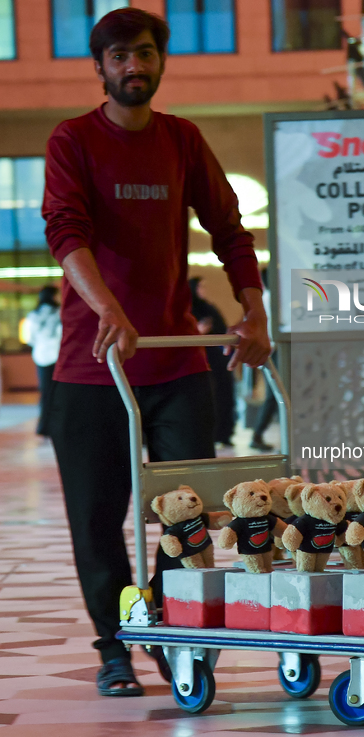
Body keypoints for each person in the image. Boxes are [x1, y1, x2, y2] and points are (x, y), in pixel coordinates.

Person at [42, 8, 270, 698]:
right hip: (92, 368)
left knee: (188, 516)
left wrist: (252, 310)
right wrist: (105, 305)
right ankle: (117, 644)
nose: (133, 67)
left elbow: (229, 229)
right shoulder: (72, 139)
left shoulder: (182, 140)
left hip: (174, 367)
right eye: (118, 57)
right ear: (100, 66)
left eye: (143, 54)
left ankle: (173, 632)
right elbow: (65, 229)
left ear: (160, 60)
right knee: (97, 519)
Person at [189, 276, 236, 447]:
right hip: (199, 360)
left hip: (217, 359)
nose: (203, 290)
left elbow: (222, 329)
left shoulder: (209, 308)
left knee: (224, 394)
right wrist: (198, 331)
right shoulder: (188, 309)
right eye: (200, 286)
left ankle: (224, 433)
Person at [24, 285, 62, 437]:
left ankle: (43, 427)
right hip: (57, 356)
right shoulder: (59, 313)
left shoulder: (33, 315)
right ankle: (56, 426)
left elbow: (29, 338)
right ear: (53, 296)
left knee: (45, 392)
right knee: (58, 393)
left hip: (40, 356)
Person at [251, 268, 277, 451]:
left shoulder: (266, 299)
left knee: (276, 396)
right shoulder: (271, 300)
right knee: (274, 396)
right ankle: (257, 434)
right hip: (275, 352)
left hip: (272, 351)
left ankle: (258, 434)